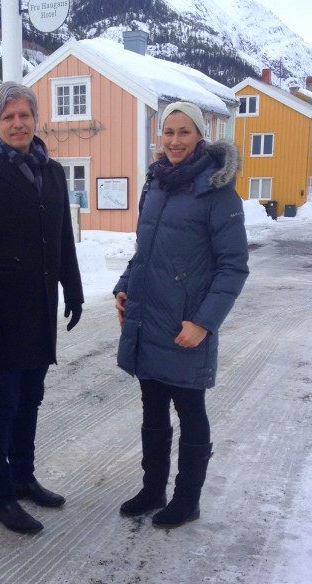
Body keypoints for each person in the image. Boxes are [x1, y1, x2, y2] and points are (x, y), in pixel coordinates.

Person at [0, 81, 84, 534]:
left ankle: (23, 477)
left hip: (40, 309)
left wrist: (74, 287)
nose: (17, 123)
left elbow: (62, 235)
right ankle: (0, 497)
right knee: (2, 404)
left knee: (31, 398)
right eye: (7, 117)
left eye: (24, 115)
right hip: (0, 315)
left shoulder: (52, 172)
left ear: (35, 120)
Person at [114, 101, 249, 529]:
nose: (174, 141)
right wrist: (123, 285)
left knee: (190, 411)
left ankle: (186, 498)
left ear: (199, 135)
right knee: (152, 410)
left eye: (183, 132)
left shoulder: (218, 191)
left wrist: (204, 323)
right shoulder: (154, 185)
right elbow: (145, 251)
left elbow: (233, 266)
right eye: (168, 132)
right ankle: (153, 489)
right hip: (147, 318)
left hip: (185, 325)